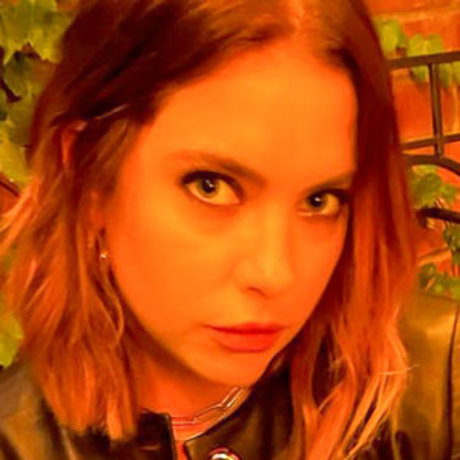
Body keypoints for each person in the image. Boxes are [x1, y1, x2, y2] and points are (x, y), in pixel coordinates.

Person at [0, 0, 418, 458]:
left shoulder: (434, 391)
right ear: (90, 176)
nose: (274, 273)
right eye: (211, 186)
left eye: (320, 201)